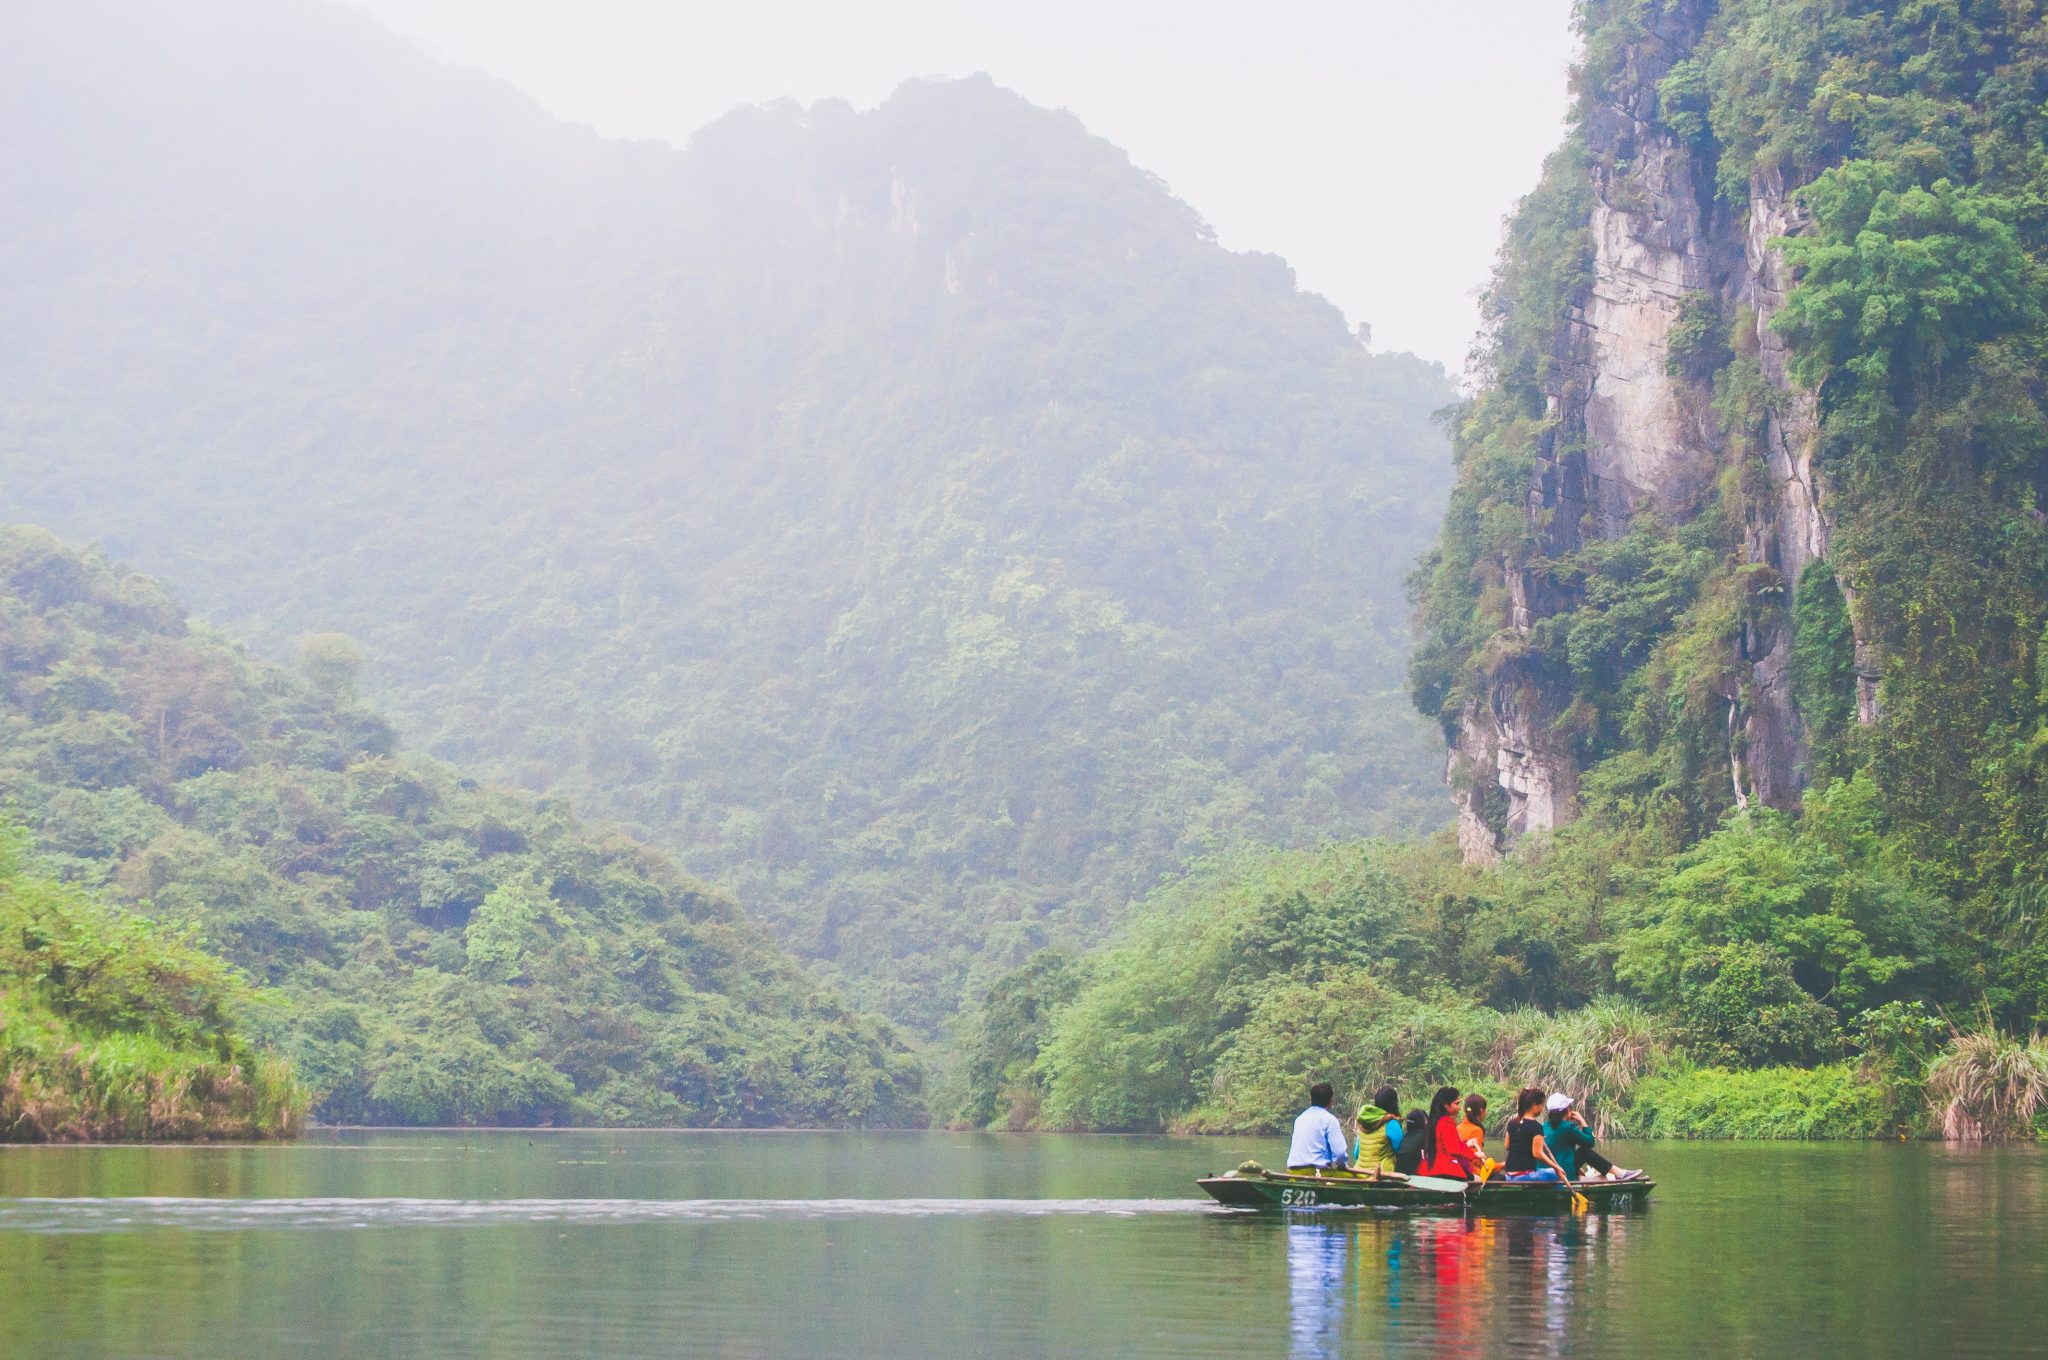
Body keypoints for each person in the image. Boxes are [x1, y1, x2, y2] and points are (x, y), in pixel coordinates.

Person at [1541, 1093, 1642, 1181]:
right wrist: (1582, 1121)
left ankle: (1618, 1173)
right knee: (1585, 1152)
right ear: (1568, 1109)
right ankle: (1620, 1174)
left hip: (1547, 1173)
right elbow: (1589, 1143)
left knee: (1581, 1153)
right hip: (1563, 1173)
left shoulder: (1543, 1126)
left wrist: (1575, 1165)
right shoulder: (1567, 1127)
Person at [1501, 1087, 1571, 1183]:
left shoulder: (1512, 1123)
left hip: (1509, 1175)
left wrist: (1530, 1141)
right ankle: (1559, 1196)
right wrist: (1556, 1167)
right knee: (1555, 1173)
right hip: (1524, 1176)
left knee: (1550, 1172)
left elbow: (1507, 1146)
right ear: (1534, 1105)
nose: (1542, 1108)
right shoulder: (1536, 1127)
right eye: (1541, 1105)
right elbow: (1537, 1154)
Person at [1419, 1085, 1482, 1180]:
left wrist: (1469, 1148)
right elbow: (1453, 1149)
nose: (1459, 1108)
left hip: (1429, 1169)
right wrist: (1474, 1155)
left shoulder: (1433, 1121)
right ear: (1446, 1105)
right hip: (1444, 1169)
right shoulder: (1447, 1121)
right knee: (1479, 1180)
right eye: (1456, 1104)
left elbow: (1451, 1145)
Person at [1287, 1081, 1351, 1173]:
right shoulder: (1329, 1119)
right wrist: (1342, 1165)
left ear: (1311, 1098)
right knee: (1359, 1182)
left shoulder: (1300, 1118)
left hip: (1293, 1172)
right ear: (1331, 1100)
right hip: (1316, 1172)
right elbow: (1339, 1154)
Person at [1353, 1086, 1404, 1173]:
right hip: (1380, 1175)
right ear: (1394, 1104)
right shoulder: (1392, 1123)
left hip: (1359, 1173)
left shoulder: (1365, 1122)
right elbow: (1401, 1151)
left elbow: (1356, 1154)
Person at [1392, 1106, 1431, 1175]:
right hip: (1411, 1178)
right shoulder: (1424, 1137)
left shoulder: (1405, 1137)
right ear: (1423, 1122)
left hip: (1398, 1174)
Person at [1457, 1093, 1489, 1160]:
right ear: (1481, 1110)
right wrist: (1500, 1165)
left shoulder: (1458, 1128)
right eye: (1486, 1109)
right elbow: (1476, 1160)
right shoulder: (1477, 1130)